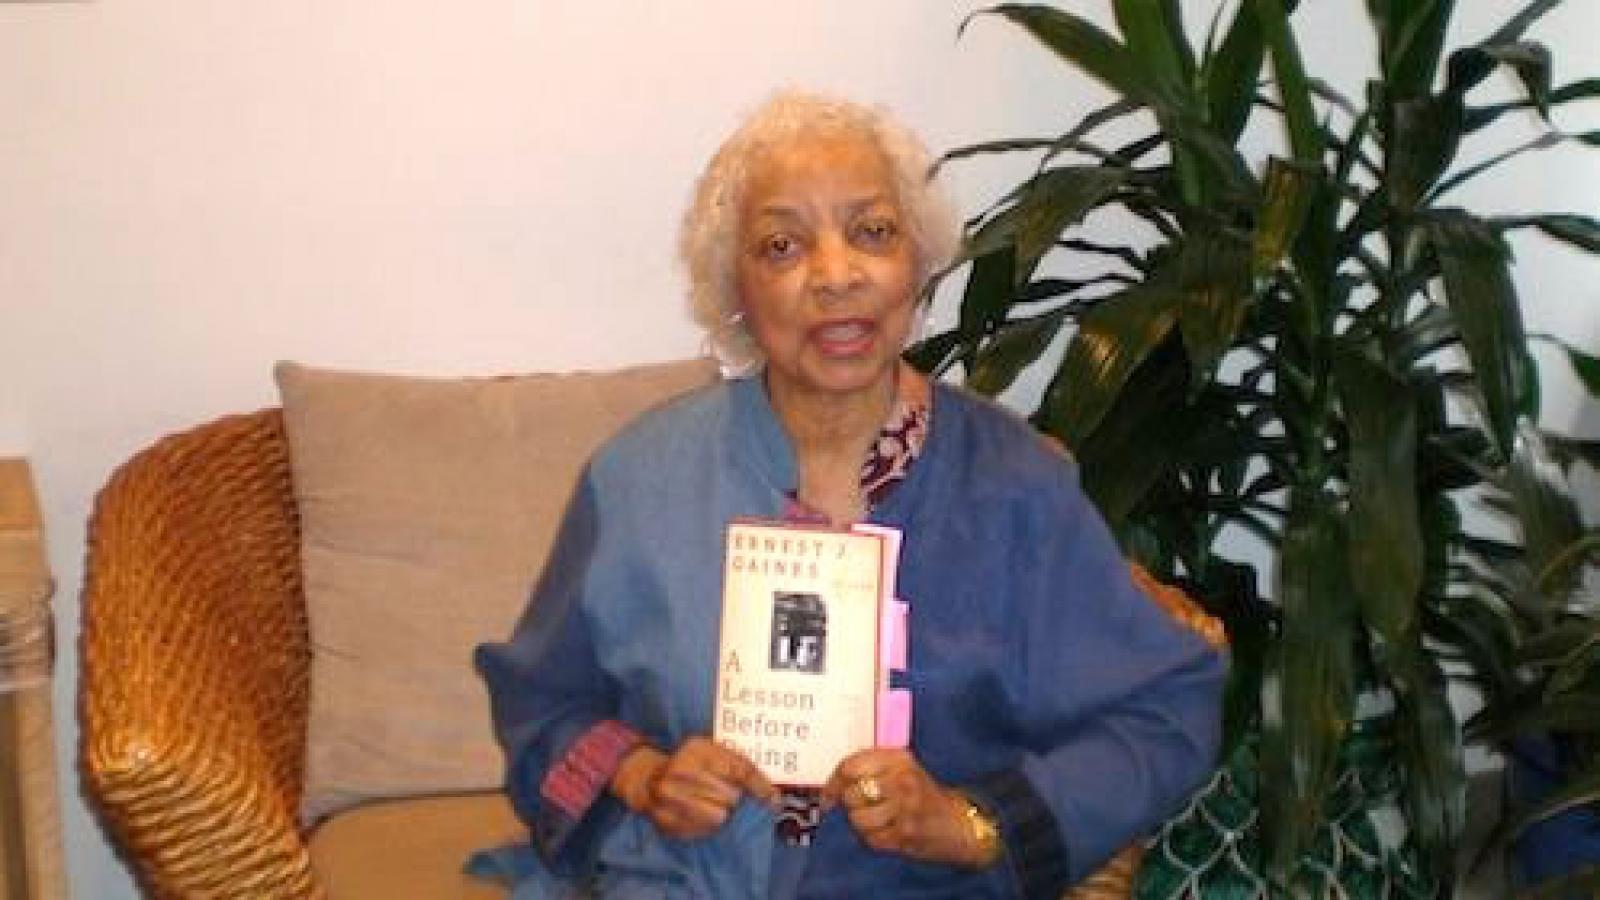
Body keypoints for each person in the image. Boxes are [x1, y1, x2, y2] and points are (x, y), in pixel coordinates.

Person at [473, 90, 1227, 899]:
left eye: (872, 232)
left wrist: (971, 823)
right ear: (734, 286)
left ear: (919, 258)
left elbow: (1165, 709)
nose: (836, 276)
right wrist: (646, 777)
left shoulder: (1014, 486)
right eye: (782, 245)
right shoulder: (638, 479)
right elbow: (544, 703)